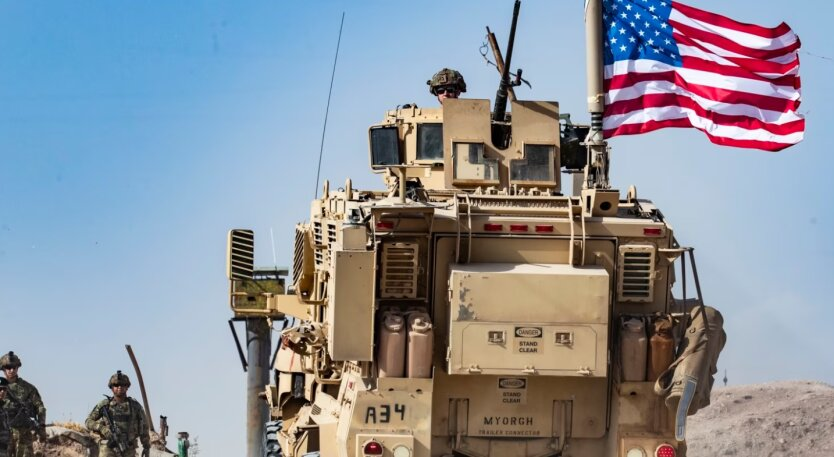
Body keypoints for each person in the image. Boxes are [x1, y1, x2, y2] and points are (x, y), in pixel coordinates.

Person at [85, 371, 150, 457]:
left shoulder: (135, 406)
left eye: (123, 385)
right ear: (111, 387)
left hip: (128, 449)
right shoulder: (104, 405)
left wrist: (146, 447)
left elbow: (144, 427)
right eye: (116, 385)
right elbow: (88, 421)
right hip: (108, 449)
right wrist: (101, 428)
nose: (119, 387)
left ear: (127, 387)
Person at [0, 352, 46, 457]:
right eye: (8, 367)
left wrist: (42, 426)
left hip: (24, 436)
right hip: (3, 436)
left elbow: (40, 407)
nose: (12, 370)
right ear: (3, 368)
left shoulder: (28, 388)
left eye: (14, 367)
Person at [0, 377, 10, 457]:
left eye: (4, 389)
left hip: (4, 449)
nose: (2, 391)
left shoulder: (3, 409)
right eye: (0, 389)